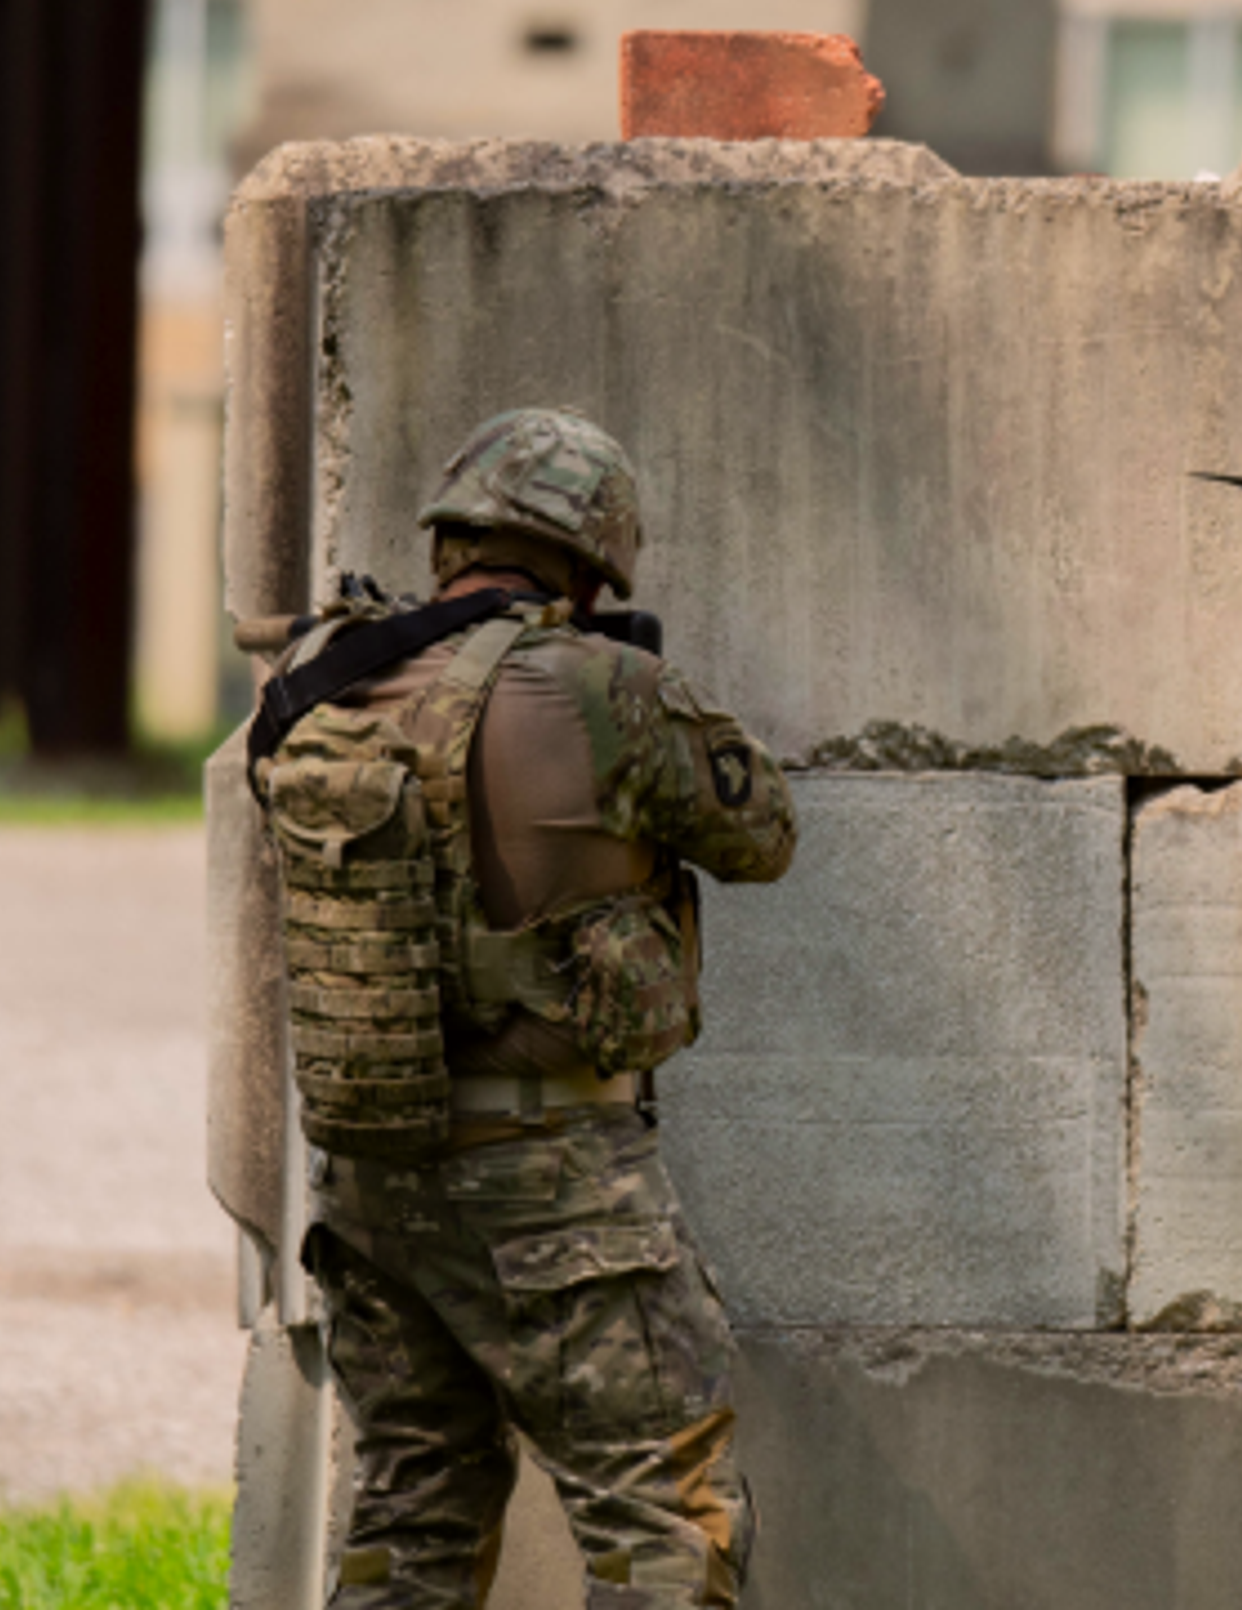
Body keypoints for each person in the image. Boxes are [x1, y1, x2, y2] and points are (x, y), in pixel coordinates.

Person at [247, 409, 797, 1609]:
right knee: (662, 1514)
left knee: (416, 1504)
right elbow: (765, 836)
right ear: (592, 564)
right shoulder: (603, 685)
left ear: (450, 543)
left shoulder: (318, 682)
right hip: (558, 1182)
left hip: (371, 1179)